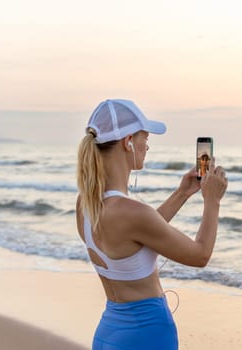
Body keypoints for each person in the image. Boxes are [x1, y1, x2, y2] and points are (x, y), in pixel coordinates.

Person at [75, 99, 228, 350]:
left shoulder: (86, 203)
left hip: (108, 335)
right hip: (146, 336)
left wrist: (181, 194)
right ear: (128, 142)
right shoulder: (133, 214)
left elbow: (136, 237)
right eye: (145, 138)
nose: (147, 146)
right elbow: (200, 256)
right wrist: (212, 200)